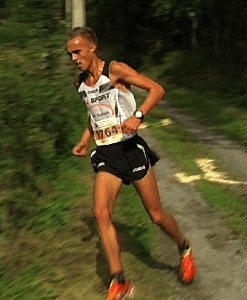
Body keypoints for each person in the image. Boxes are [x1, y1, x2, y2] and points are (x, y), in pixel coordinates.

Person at [66, 27, 197, 300]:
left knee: (156, 216)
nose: (74, 58)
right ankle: (120, 282)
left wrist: (139, 114)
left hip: (130, 150)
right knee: (101, 214)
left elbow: (157, 90)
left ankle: (184, 247)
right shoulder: (80, 83)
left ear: (93, 48)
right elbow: (95, 115)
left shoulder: (116, 70)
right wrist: (85, 138)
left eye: (78, 52)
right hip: (107, 154)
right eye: (70, 54)